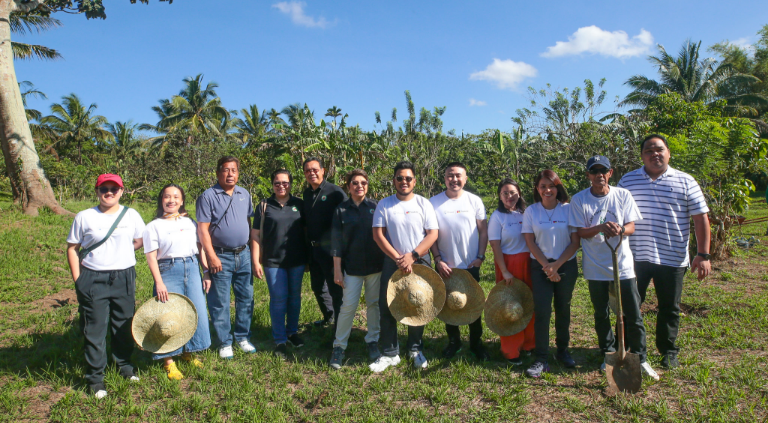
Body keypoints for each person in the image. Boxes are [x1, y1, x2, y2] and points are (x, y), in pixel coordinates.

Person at [618, 134, 711, 369]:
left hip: (672, 256)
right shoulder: (628, 181)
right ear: (641, 156)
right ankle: (629, 347)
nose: (654, 154)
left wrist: (703, 254)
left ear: (668, 153)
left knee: (669, 307)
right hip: (634, 257)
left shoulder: (686, 181)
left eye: (659, 149)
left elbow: (700, 218)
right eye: (648, 150)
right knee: (631, 305)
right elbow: (614, 213)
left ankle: (668, 350)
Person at [569, 155, 659, 380]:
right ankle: (608, 354)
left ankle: (640, 357)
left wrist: (619, 230)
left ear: (610, 173)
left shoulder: (622, 195)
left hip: (624, 266)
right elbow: (580, 231)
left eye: (603, 170)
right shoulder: (579, 200)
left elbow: (631, 226)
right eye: (594, 171)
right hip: (595, 267)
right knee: (602, 313)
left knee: (633, 313)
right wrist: (600, 227)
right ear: (589, 175)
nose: (599, 174)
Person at [65, 174, 145, 398]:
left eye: (114, 188)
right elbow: (73, 248)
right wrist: (78, 279)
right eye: (104, 189)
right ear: (97, 191)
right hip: (93, 277)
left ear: (121, 191)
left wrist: (122, 253)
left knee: (123, 323)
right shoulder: (85, 217)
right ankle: (95, 379)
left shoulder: (132, 215)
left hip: (124, 277)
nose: (109, 193)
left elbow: (139, 240)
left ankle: (124, 366)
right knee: (95, 329)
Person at [370, 161, 439, 372]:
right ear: (394, 181)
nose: (404, 182)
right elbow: (378, 234)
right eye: (399, 178)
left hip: (419, 261)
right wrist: (398, 258)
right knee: (388, 305)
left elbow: (432, 234)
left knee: (418, 304)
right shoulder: (384, 204)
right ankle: (390, 353)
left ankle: (415, 349)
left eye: (408, 178)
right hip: (393, 262)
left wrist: (413, 255)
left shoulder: (423, 204)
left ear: (414, 181)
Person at [143, 184, 212, 380]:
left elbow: (200, 249)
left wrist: (206, 272)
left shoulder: (190, 222)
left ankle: (189, 352)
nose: (171, 200)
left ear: (182, 201)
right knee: (168, 315)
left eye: (176, 197)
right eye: (167, 196)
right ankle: (169, 361)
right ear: (161, 200)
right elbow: (151, 256)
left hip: (191, 268)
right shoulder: (153, 226)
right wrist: (159, 282)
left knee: (193, 311)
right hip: (168, 270)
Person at [429, 162, 491, 361]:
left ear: (465, 178)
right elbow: (431, 235)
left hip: (470, 264)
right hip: (447, 265)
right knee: (449, 305)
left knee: (474, 304)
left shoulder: (474, 201)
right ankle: (454, 342)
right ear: (444, 178)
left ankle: (476, 344)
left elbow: (483, 231)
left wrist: (480, 257)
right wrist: (437, 259)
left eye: (458, 176)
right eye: (450, 175)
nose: (454, 179)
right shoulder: (433, 203)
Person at [521, 170, 581, 378]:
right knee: (543, 311)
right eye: (543, 186)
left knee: (563, 308)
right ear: (537, 190)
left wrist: (557, 267)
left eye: (551, 186)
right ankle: (541, 358)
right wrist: (547, 266)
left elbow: (575, 242)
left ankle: (563, 351)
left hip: (566, 265)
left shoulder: (569, 209)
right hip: (540, 266)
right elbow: (530, 241)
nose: (547, 190)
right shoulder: (531, 211)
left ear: (558, 187)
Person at [197, 156, 256, 359]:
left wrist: (250, 250)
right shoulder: (208, 196)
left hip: (244, 254)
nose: (230, 174)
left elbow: (248, 222)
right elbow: (203, 230)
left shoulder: (244, 194)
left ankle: (242, 336)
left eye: (234, 170)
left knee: (246, 298)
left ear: (238, 173)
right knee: (220, 301)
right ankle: (224, 341)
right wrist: (211, 257)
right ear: (218, 172)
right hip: (220, 255)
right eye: (226, 170)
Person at [329, 169, 385, 369]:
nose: (359, 186)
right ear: (349, 186)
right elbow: (336, 242)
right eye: (355, 183)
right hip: (351, 268)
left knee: (373, 304)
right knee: (348, 307)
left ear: (367, 185)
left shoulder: (376, 207)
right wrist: (337, 270)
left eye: (363, 182)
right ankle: (339, 346)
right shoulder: (341, 210)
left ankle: (372, 340)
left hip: (375, 267)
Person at [251, 169, 307, 359]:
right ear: (272, 184)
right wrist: (256, 260)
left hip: (297, 260)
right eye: (277, 182)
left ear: (291, 183)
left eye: (285, 182)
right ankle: (280, 339)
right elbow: (256, 235)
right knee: (278, 299)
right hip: (272, 261)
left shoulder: (299, 204)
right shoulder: (264, 205)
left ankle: (292, 332)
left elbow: (306, 230)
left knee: (294, 298)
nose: (281, 186)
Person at [488, 178, 535, 365]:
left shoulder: (526, 212)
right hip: (509, 264)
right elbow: (495, 245)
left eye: (513, 192)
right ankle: (511, 350)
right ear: (500, 196)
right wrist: (504, 270)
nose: (509, 196)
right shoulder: (497, 217)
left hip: (530, 263)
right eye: (505, 193)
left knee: (528, 304)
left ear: (519, 194)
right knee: (510, 306)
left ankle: (529, 344)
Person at [302, 157, 347, 330]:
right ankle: (330, 316)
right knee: (317, 287)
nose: (311, 173)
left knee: (336, 290)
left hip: (331, 251)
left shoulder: (335, 192)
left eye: (314, 169)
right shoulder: (307, 194)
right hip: (313, 250)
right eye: (307, 171)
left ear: (323, 170)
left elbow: (346, 218)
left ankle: (340, 328)